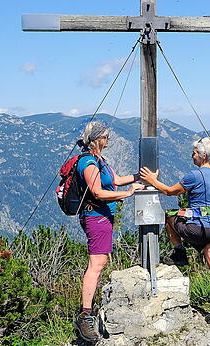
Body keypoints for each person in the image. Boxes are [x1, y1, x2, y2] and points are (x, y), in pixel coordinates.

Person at [139, 137, 210, 324]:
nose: (192, 155)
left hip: (197, 229)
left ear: (203, 155)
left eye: (194, 152)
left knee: (169, 217)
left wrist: (152, 180)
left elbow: (169, 191)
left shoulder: (194, 175)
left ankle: (179, 253)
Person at [74, 120, 144, 343]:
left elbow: (114, 181)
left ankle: (88, 311)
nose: (108, 139)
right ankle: (85, 315)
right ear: (96, 139)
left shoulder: (99, 161)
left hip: (102, 217)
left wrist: (138, 177)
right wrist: (128, 194)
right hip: (96, 216)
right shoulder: (89, 163)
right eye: (105, 136)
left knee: (100, 261)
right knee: (96, 264)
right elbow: (98, 192)